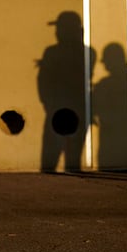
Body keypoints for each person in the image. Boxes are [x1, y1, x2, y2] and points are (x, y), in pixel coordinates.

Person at [36, 11, 94, 173]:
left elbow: (43, 81)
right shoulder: (87, 53)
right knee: (70, 158)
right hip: (71, 107)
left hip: (60, 108)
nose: (56, 32)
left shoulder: (53, 53)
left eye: (60, 28)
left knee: (54, 158)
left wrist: (47, 103)